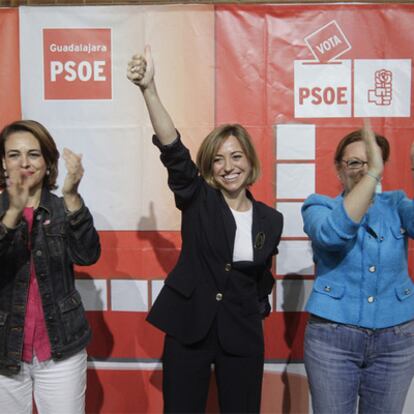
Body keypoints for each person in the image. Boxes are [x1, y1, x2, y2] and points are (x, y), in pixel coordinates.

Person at [127, 46, 283, 413]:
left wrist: (253, 309)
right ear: (209, 169)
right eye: (218, 159)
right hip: (190, 325)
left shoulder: (271, 219)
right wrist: (149, 89)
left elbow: (262, 277)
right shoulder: (199, 199)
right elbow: (172, 149)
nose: (228, 166)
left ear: (250, 162)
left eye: (236, 156)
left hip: (242, 332)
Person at [302, 119, 414, 414]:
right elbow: (332, 236)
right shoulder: (319, 206)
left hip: (397, 341)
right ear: (339, 169)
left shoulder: (398, 204)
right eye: (355, 163)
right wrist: (373, 174)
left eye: (371, 162)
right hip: (332, 341)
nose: (364, 170)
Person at [0, 120, 101, 413]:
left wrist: (72, 197)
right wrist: (13, 214)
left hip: (61, 350)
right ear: (3, 162)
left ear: (47, 161)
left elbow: (87, 255)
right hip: (5, 351)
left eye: (34, 154)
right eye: (14, 154)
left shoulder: (62, 207)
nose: (24, 163)